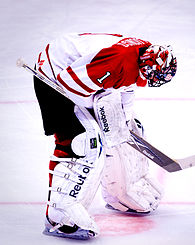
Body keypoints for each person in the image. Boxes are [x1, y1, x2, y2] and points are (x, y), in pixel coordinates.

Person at [33, 32, 177, 240]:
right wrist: (104, 114)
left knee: (126, 130)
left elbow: (126, 84)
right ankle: (59, 215)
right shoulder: (118, 61)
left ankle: (120, 194)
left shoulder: (143, 55)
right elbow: (69, 84)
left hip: (82, 73)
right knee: (84, 141)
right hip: (54, 74)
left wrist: (122, 121)